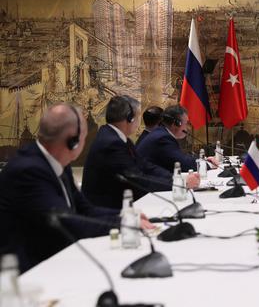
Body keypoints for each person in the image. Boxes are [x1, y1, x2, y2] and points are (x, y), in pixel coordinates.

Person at [0, 104, 150, 272]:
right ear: (73, 140)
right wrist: (123, 224)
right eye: (85, 136)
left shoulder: (59, 162)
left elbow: (84, 209)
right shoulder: (28, 170)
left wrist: (124, 215)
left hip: (55, 257)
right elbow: (65, 221)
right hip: (27, 273)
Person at [81, 96, 172, 209]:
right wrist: (174, 185)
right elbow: (137, 179)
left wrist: (173, 178)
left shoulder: (117, 137)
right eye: (138, 116)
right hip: (106, 212)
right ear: (130, 118)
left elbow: (144, 165)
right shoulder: (111, 143)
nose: (140, 121)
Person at [136, 105, 218, 172]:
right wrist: (207, 164)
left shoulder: (161, 133)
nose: (188, 128)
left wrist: (204, 160)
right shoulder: (162, 137)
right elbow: (182, 163)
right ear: (176, 124)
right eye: (186, 123)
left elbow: (181, 157)